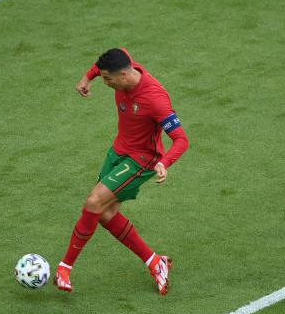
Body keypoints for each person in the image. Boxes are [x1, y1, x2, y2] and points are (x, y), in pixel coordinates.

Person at [55, 48, 190, 295]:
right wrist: (88, 77)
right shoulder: (124, 65)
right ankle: (155, 262)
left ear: (125, 75)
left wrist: (165, 162)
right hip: (117, 152)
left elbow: (181, 139)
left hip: (141, 160)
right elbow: (102, 65)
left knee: (94, 202)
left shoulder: (155, 98)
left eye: (108, 79)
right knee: (105, 214)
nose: (105, 83)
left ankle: (64, 269)